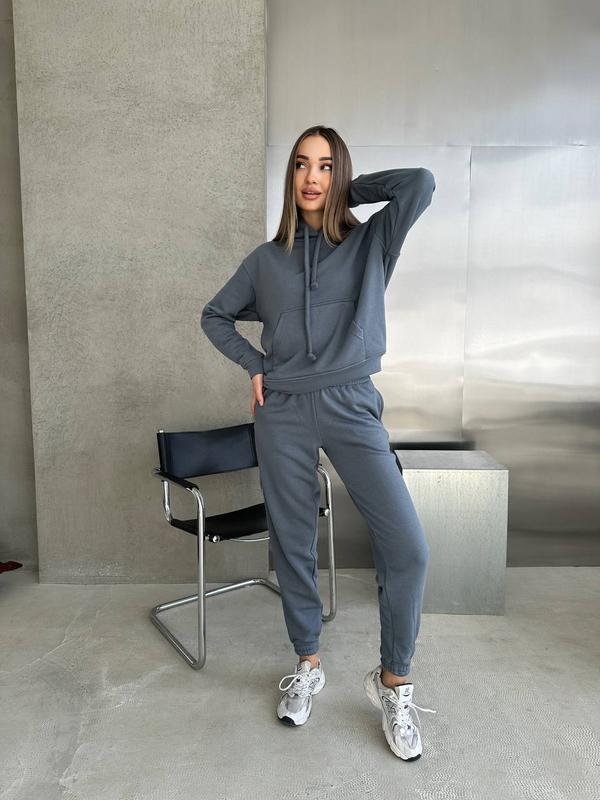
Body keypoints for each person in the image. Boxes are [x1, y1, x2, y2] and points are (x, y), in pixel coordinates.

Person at [201, 124, 437, 760]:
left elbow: (420, 184)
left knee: (407, 547)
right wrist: (254, 365)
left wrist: (345, 192)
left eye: (326, 166)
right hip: (281, 410)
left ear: (340, 173)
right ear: (289, 176)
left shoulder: (371, 242)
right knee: (293, 539)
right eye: (302, 165)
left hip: (350, 402)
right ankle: (307, 663)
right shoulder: (265, 260)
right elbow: (214, 316)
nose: (311, 177)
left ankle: (394, 681)